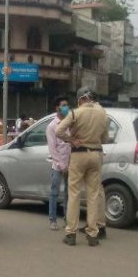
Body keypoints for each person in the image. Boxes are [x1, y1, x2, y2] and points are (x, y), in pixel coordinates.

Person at [56, 87, 108, 247]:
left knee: (74, 194)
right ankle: (93, 234)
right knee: (93, 195)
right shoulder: (102, 113)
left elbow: (59, 131)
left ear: (80, 99)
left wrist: (71, 140)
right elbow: (105, 138)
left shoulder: (76, 113)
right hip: (96, 154)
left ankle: (71, 233)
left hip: (79, 154)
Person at [46, 96, 71, 231]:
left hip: (70, 163)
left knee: (69, 193)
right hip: (58, 165)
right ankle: (53, 219)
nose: (66, 107)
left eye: (67, 105)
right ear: (57, 108)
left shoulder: (70, 123)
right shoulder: (52, 126)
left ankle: (68, 219)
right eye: (63, 105)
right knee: (54, 192)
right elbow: (52, 149)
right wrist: (61, 165)